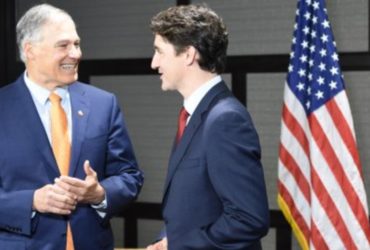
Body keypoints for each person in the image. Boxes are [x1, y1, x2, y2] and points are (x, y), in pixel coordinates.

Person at [0, 3, 143, 250]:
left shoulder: (103, 104)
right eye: (63, 45)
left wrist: (99, 194)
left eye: (76, 44)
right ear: (30, 50)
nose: (75, 54)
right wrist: (31, 201)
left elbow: (130, 176)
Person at [147, 4, 269, 250]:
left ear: (189, 54)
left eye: (160, 51)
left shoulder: (225, 120)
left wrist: (178, 245)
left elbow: (248, 219)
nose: (153, 63)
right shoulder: (195, 113)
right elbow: (191, 204)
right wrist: (166, 239)